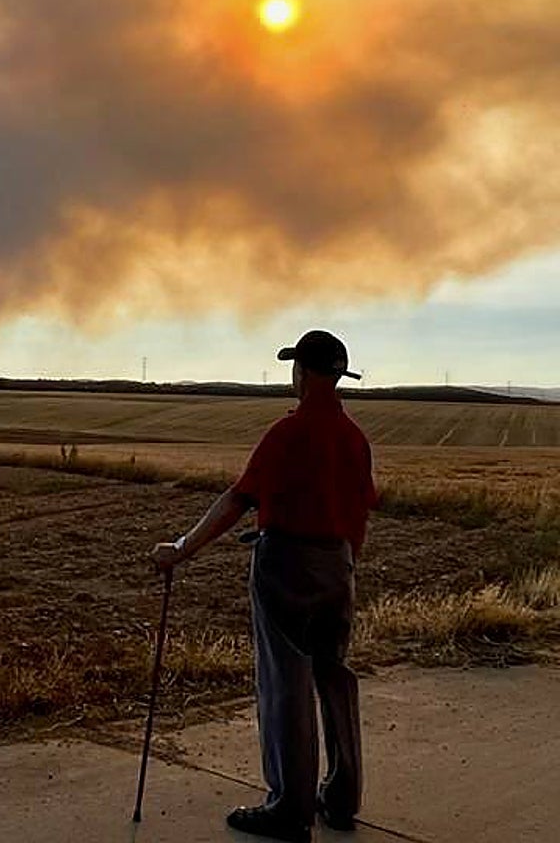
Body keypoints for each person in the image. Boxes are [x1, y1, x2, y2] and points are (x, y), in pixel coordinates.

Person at [151, 330, 376, 843]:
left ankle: (289, 809)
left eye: (295, 367)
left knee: (285, 683)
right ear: (339, 376)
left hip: (286, 563)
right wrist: (345, 565)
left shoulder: (288, 433)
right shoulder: (355, 438)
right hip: (339, 566)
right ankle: (341, 799)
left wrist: (181, 549)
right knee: (334, 676)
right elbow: (360, 511)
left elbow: (238, 499)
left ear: (304, 373)